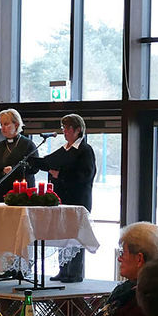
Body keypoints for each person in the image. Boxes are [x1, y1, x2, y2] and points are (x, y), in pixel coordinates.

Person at [27, 114, 96, 282]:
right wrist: (31, 161)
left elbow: (85, 175)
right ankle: (63, 270)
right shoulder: (66, 149)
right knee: (62, 235)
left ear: (78, 130)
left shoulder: (85, 150)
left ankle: (75, 273)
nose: (64, 131)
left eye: (67, 128)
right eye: (63, 128)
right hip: (62, 199)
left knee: (75, 236)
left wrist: (61, 174)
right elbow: (48, 162)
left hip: (78, 200)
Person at [91, 221, 158, 316]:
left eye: (123, 253)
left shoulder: (143, 300)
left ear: (139, 259)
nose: (119, 258)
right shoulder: (128, 289)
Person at [0, 108, 38, 202]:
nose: (3, 128)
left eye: (6, 124)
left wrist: (13, 169)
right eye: (1, 124)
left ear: (16, 125)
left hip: (20, 195)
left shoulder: (28, 144)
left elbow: (34, 168)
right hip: (0, 194)